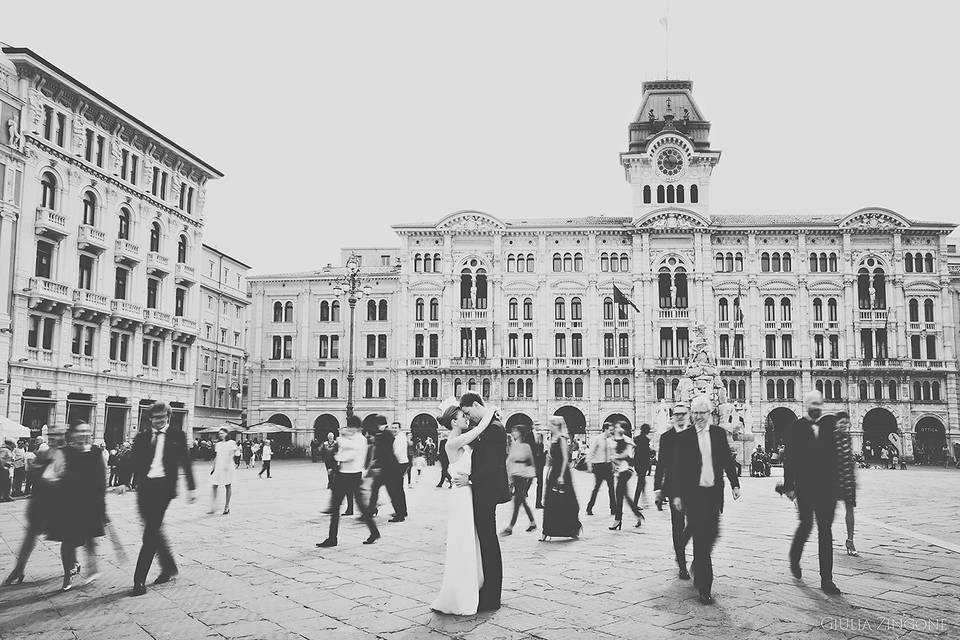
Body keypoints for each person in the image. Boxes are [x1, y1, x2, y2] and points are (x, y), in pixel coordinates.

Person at [431, 397, 500, 615]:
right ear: (454, 421)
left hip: (469, 492)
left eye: (467, 414)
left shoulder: (462, 440)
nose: (466, 418)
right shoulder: (452, 442)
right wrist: (493, 410)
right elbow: (480, 428)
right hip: (462, 496)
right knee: (465, 542)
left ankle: (474, 586)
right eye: (463, 416)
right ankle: (462, 591)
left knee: (474, 542)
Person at [671, 395, 741, 605]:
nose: (699, 416)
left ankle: (698, 564)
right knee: (701, 540)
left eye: (703, 413)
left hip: (713, 495)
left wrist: (735, 484)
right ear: (692, 414)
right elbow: (677, 469)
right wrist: (676, 494)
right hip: (694, 495)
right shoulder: (685, 438)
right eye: (696, 413)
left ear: (710, 414)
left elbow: (727, 461)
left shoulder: (718, 434)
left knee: (711, 537)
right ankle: (705, 587)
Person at [129, 401, 195, 597]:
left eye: (163, 417)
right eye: (156, 417)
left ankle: (138, 580)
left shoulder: (177, 436)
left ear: (168, 417)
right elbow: (132, 460)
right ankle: (168, 566)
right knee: (154, 531)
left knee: (149, 534)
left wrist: (191, 488)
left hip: (163, 491)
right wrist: (125, 482)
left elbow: (185, 461)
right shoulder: (142, 437)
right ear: (150, 418)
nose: (159, 421)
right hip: (144, 488)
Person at [455, 392, 510, 612]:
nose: (469, 419)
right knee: (486, 542)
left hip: (486, 491)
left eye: (468, 413)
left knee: (489, 543)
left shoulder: (494, 429)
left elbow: (492, 464)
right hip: (484, 491)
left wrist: (470, 478)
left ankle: (492, 596)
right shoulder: (491, 425)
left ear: (476, 405)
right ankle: (488, 590)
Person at [783, 390, 842, 595]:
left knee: (825, 531)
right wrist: (789, 486)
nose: (816, 408)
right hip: (805, 486)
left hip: (827, 488)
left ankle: (827, 579)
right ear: (806, 405)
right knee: (806, 525)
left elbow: (837, 457)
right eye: (813, 404)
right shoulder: (796, 428)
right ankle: (795, 557)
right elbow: (788, 459)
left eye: (819, 404)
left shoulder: (828, 426)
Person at [46, 422, 107, 591]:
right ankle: (68, 573)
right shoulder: (63, 453)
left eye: (86, 431)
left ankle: (90, 566)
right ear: (72, 434)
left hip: (89, 504)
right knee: (68, 541)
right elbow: (50, 476)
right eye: (79, 431)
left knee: (89, 538)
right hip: (68, 505)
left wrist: (102, 507)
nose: (83, 434)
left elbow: (102, 481)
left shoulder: (96, 452)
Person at [3, 427, 65, 586]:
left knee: (67, 536)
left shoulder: (63, 456)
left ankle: (72, 564)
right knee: (29, 538)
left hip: (58, 505)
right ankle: (19, 569)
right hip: (41, 505)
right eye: (51, 437)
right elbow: (35, 476)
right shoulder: (44, 454)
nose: (53, 440)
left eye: (56, 437)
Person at [316, 415, 379, 547]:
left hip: (348, 475)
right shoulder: (356, 438)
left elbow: (348, 455)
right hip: (349, 474)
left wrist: (338, 453)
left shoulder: (358, 439)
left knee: (347, 507)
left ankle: (333, 539)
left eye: (349, 426)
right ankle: (333, 538)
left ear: (354, 427)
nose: (348, 428)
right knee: (340, 507)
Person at [655, 403, 693, 579]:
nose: (679, 416)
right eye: (676, 414)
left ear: (688, 415)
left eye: (682, 413)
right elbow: (661, 464)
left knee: (694, 525)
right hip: (674, 489)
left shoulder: (696, 434)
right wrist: (657, 488)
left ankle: (681, 545)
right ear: (673, 416)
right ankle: (682, 564)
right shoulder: (666, 437)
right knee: (678, 526)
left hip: (694, 488)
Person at [541, 415, 582, 541]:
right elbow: (551, 458)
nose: (549, 427)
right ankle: (547, 530)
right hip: (554, 472)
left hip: (562, 474)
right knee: (549, 501)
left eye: (551, 425)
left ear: (555, 426)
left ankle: (571, 528)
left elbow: (565, 458)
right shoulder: (553, 439)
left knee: (565, 502)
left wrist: (561, 476)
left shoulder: (562, 439)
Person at [366, 415, 407, 522]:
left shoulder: (386, 434)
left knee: (392, 491)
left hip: (389, 468)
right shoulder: (384, 434)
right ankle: (370, 511)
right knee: (377, 489)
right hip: (386, 468)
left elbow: (385, 452)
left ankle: (400, 514)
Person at [502, 426, 537, 535]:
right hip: (515, 474)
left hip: (522, 475)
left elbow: (531, 461)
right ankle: (532, 523)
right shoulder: (513, 445)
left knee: (518, 501)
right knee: (521, 500)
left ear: (520, 433)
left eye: (515, 431)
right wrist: (508, 476)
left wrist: (531, 478)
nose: (513, 432)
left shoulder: (526, 446)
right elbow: (509, 461)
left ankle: (510, 527)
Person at [832, 412, 859, 557]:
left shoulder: (848, 438)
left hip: (848, 479)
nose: (844, 425)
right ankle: (826, 537)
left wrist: (855, 478)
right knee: (828, 511)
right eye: (841, 422)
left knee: (850, 509)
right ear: (836, 424)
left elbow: (850, 459)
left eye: (846, 423)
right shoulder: (829, 438)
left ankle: (850, 540)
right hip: (834, 479)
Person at [610, 423, 644, 530]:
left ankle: (618, 520)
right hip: (620, 470)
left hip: (626, 470)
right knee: (623, 495)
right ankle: (637, 515)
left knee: (619, 494)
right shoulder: (613, 440)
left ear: (623, 429)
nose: (616, 428)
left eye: (618, 427)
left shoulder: (627, 440)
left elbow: (627, 454)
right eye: (615, 427)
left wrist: (615, 457)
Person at [585, 422, 616, 516]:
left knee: (611, 488)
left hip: (608, 465)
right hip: (599, 466)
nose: (612, 432)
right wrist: (589, 464)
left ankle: (613, 509)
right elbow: (591, 452)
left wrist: (613, 464)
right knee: (597, 488)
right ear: (605, 429)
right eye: (610, 430)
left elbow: (611, 453)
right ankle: (589, 507)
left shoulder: (610, 440)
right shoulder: (598, 439)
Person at [209, 430, 237, 515]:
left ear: (227, 434)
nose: (220, 435)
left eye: (222, 433)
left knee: (227, 485)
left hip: (227, 466)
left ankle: (227, 506)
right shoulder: (218, 444)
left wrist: (227, 465)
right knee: (214, 485)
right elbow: (216, 456)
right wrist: (213, 467)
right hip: (219, 466)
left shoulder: (231, 443)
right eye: (219, 434)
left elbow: (232, 455)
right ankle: (213, 506)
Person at [632, 424, 652, 505]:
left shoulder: (636, 439)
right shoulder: (646, 440)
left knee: (641, 482)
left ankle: (641, 498)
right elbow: (646, 453)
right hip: (643, 465)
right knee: (640, 483)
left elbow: (636, 452)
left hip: (637, 464)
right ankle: (635, 503)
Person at [391, 423, 412, 489]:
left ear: (399, 429)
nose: (393, 430)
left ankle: (398, 498)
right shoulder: (399, 436)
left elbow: (397, 452)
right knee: (398, 484)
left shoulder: (400, 437)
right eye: (392, 428)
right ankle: (399, 498)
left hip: (400, 463)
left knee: (397, 484)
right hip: (401, 462)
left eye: (395, 428)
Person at [533, 430, 546, 509]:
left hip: (537, 466)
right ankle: (538, 503)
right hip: (538, 466)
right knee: (540, 483)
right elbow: (540, 456)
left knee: (539, 483)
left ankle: (538, 502)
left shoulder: (539, 445)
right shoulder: (540, 445)